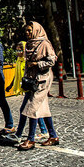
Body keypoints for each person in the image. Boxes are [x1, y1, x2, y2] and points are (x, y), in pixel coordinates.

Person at [18, 21, 60, 150]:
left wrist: (37, 64)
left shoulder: (44, 43)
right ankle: (53, 136)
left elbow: (52, 59)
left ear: (36, 30)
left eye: (30, 30)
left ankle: (30, 140)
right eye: (26, 31)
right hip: (32, 80)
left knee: (32, 108)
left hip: (42, 79)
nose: (27, 33)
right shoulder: (30, 44)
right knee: (43, 109)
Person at [4, 41, 49, 143]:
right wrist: (11, 85)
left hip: (31, 87)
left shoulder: (27, 61)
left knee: (26, 110)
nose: (18, 52)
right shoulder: (19, 60)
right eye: (17, 50)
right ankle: (44, 131)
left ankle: (21, 134)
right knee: (34, 110)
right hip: (26, 87)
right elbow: (17, 75)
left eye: (20, 50)